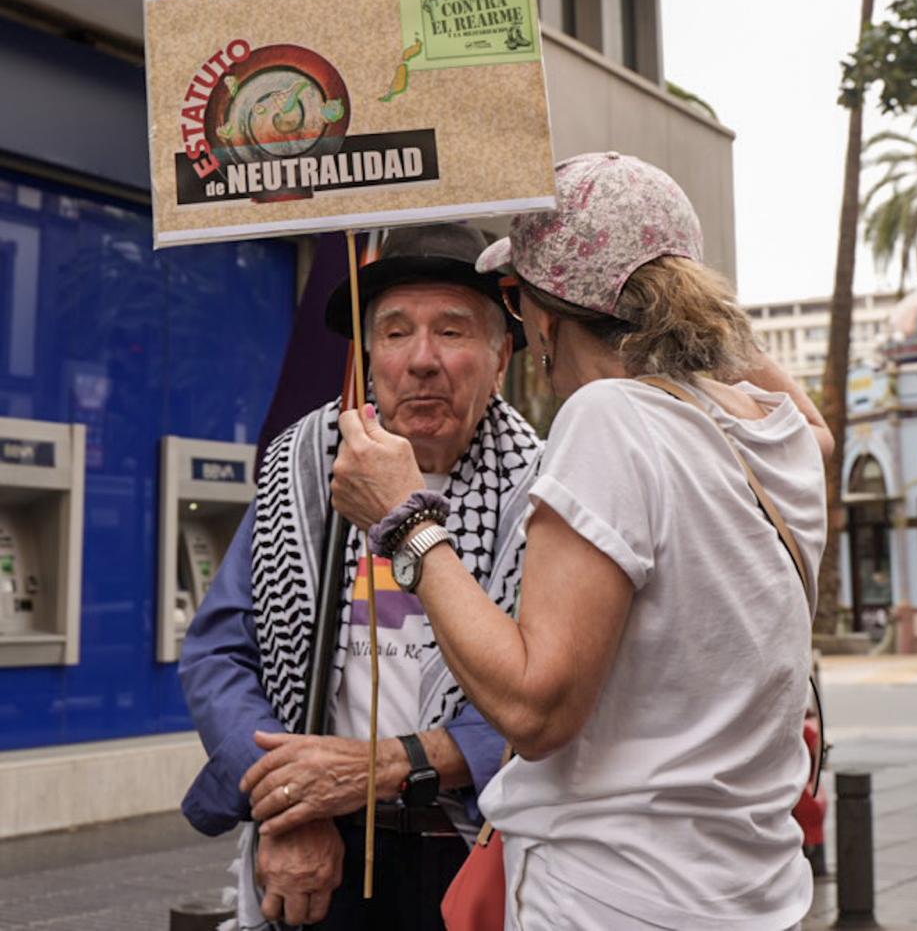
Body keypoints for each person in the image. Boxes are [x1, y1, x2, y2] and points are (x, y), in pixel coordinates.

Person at [329, 151, 832, 929]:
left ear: (543, 318)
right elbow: (816, 426)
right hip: (753, 896)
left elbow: (537, 708)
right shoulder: (782, 435)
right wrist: (683, 300)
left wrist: (403, 520)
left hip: (615, 898)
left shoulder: (610, 419)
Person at [178, 224, 541, 930]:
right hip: (319, 850)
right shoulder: (304, 468)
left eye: (454, 331)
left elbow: (553, 696)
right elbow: (219, 655)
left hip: (476, 849)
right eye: (397, 332)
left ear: (501, 357)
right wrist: (290, 804)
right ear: (367, 357)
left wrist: (386, 768)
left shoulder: (545, 491)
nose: (423, 360)